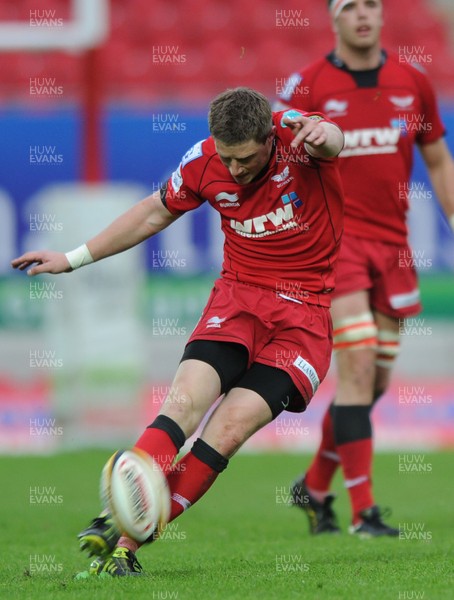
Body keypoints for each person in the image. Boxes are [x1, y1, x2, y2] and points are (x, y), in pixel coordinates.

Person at [12, 87, 344, 575]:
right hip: (238, 300)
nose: (235, 170)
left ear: (270, 139)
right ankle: (113, 516)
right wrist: (73, 258)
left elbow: (333, 141)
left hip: (305, 318)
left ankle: (127, 544)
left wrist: (326, 133)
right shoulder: (203, 163)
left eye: (246, 158)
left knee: (227, 430)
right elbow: (152, 213)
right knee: (184, 402)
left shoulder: (301, 140)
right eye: (227, 158)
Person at [275, 0, 454, 537]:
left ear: (381, 15)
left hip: (393, 250)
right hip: (336, 247)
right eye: (350, 5)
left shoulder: (412, 82)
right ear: (334, 18)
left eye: (371, 4)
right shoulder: (307, 85)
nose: (362, 14)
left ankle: (313, 486)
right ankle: (363, 513)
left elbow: (438, 159)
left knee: (371, 384)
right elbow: (279, 163)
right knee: (353, 371)